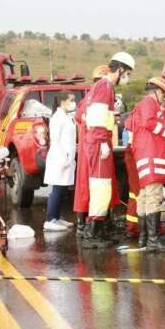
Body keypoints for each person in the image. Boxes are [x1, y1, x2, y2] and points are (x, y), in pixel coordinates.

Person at [80, 52, 135, 248]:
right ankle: (93, 233)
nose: (127, 78)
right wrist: (102, 140)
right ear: (119, 70)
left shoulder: (100, 87)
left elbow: (86, 115)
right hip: (98, 143)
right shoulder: (105, 87)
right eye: (127, 73)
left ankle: (97, 231)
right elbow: (96, 117)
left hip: (95, 142)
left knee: (100, 188)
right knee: (101, 189)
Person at [127, 77, 165, 252]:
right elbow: (149, 123)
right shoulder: (149, 103)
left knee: (144, 197)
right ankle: (153, 240)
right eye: (164, 96)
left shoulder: (140, 107)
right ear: (158, 91)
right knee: (154, 197)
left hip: (144, 155)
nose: (164, 101)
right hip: (151, 156)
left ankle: (144, 238)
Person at [73, 65, 109, 238]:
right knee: (98, 187)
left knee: (84, 186)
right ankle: (94, 227)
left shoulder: (87, 98)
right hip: (95, 145)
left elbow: (78, 116)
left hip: (86, 147)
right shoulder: (100, 95)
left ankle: (83, 224)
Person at [43, 90, 77, 231]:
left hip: (67, 157)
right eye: (71, 100)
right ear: (63, 101)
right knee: (57, 189)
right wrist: (63, 158)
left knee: (62, 189)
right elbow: (56, 140)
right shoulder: (57, 118)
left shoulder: (67, 116)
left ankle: (57, 218)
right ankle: (50, 220)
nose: (73, 102)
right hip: (60, 158)